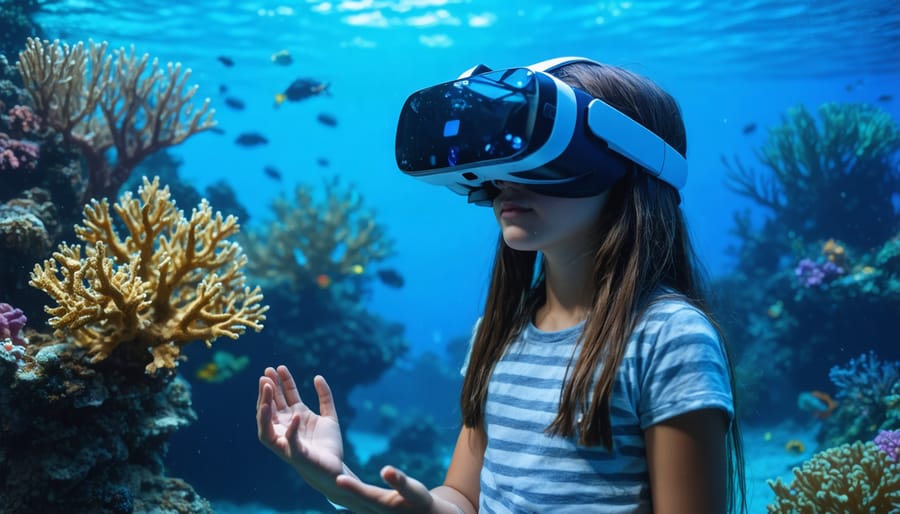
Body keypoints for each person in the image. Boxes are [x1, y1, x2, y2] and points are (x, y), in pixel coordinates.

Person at [256, 56, 747, 514]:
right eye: (497, 156)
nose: (505, 180)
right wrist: (338, 482)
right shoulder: (498, 333)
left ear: (626, 162)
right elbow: (462, 498)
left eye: (536, 155)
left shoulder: (670, 338)